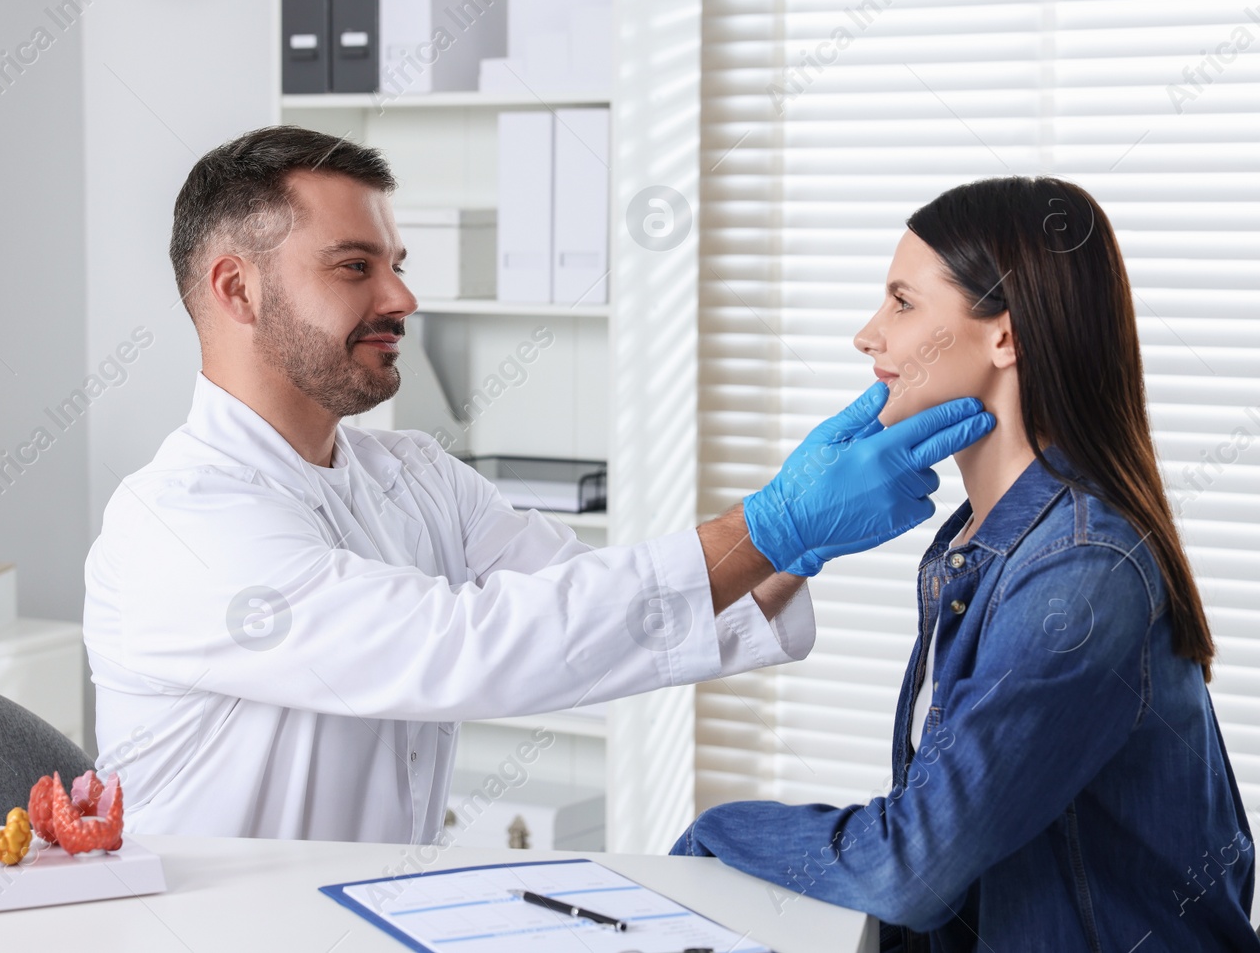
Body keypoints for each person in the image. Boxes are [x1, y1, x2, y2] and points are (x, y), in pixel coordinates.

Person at [83, 125, 993, 843]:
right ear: (237, 290)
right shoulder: (180, 527)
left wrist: (798, 542)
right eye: (356, 266)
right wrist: (773, 521)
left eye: (398, 265)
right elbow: (469, 647)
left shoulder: (411, 475)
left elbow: (587, 617)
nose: (401, 298)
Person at [672, 177, 1259, 950]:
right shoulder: (983, 540)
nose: (868, 335)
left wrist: (719, 829)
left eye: (903, 303)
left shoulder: (1081, 569)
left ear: (1005, 337)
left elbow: (911, 867)